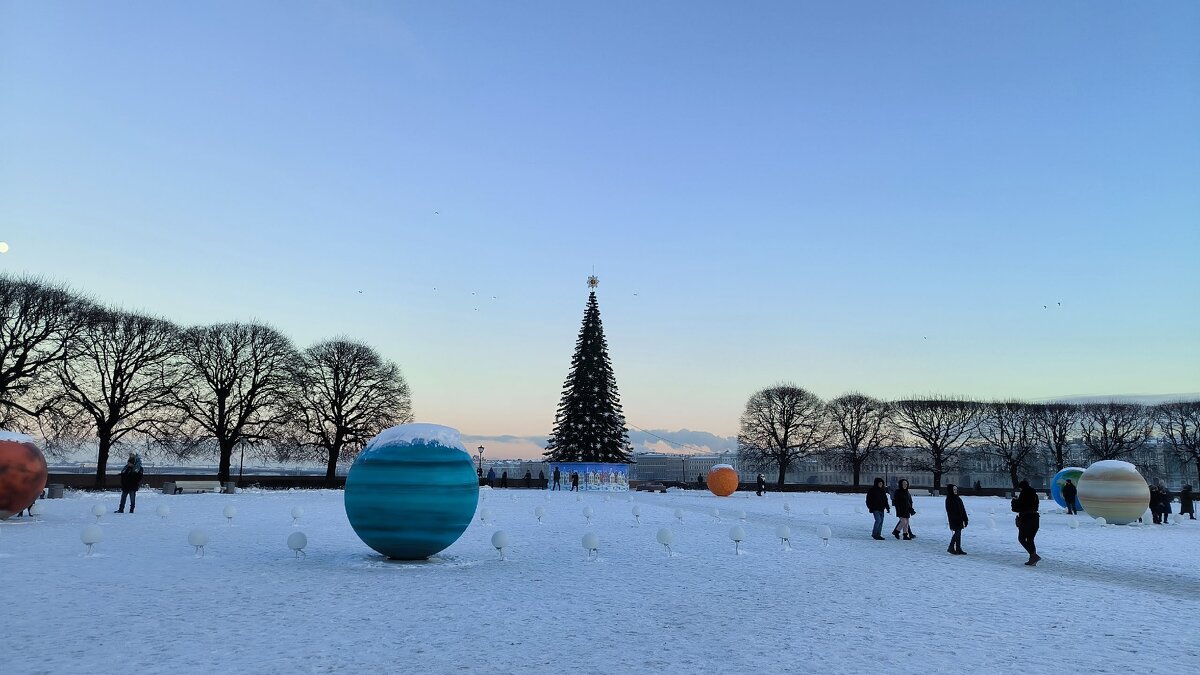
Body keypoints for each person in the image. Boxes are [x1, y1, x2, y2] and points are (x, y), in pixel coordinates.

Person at [1011, 479, 1041, 566]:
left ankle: (1033, 556)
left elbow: (1018, 508)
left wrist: (1014, 501)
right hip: (1035, 518)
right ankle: (1032, 558)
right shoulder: (1035, 495)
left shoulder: (1024, 494)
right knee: (1030, 539)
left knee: (1022, 538)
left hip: (1026, 518)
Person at [944, 484, 968, 555]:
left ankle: (958, 548)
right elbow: (950, 511)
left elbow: (963, 509)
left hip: (960, 519)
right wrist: (954, 518)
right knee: (957, 532)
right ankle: (951, 547)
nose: (955, 491)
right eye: (954, 490)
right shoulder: (949, 499)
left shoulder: (958, 499)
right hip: (954, 519)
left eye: (956, 489)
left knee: (959, 533)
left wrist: (965, 519)